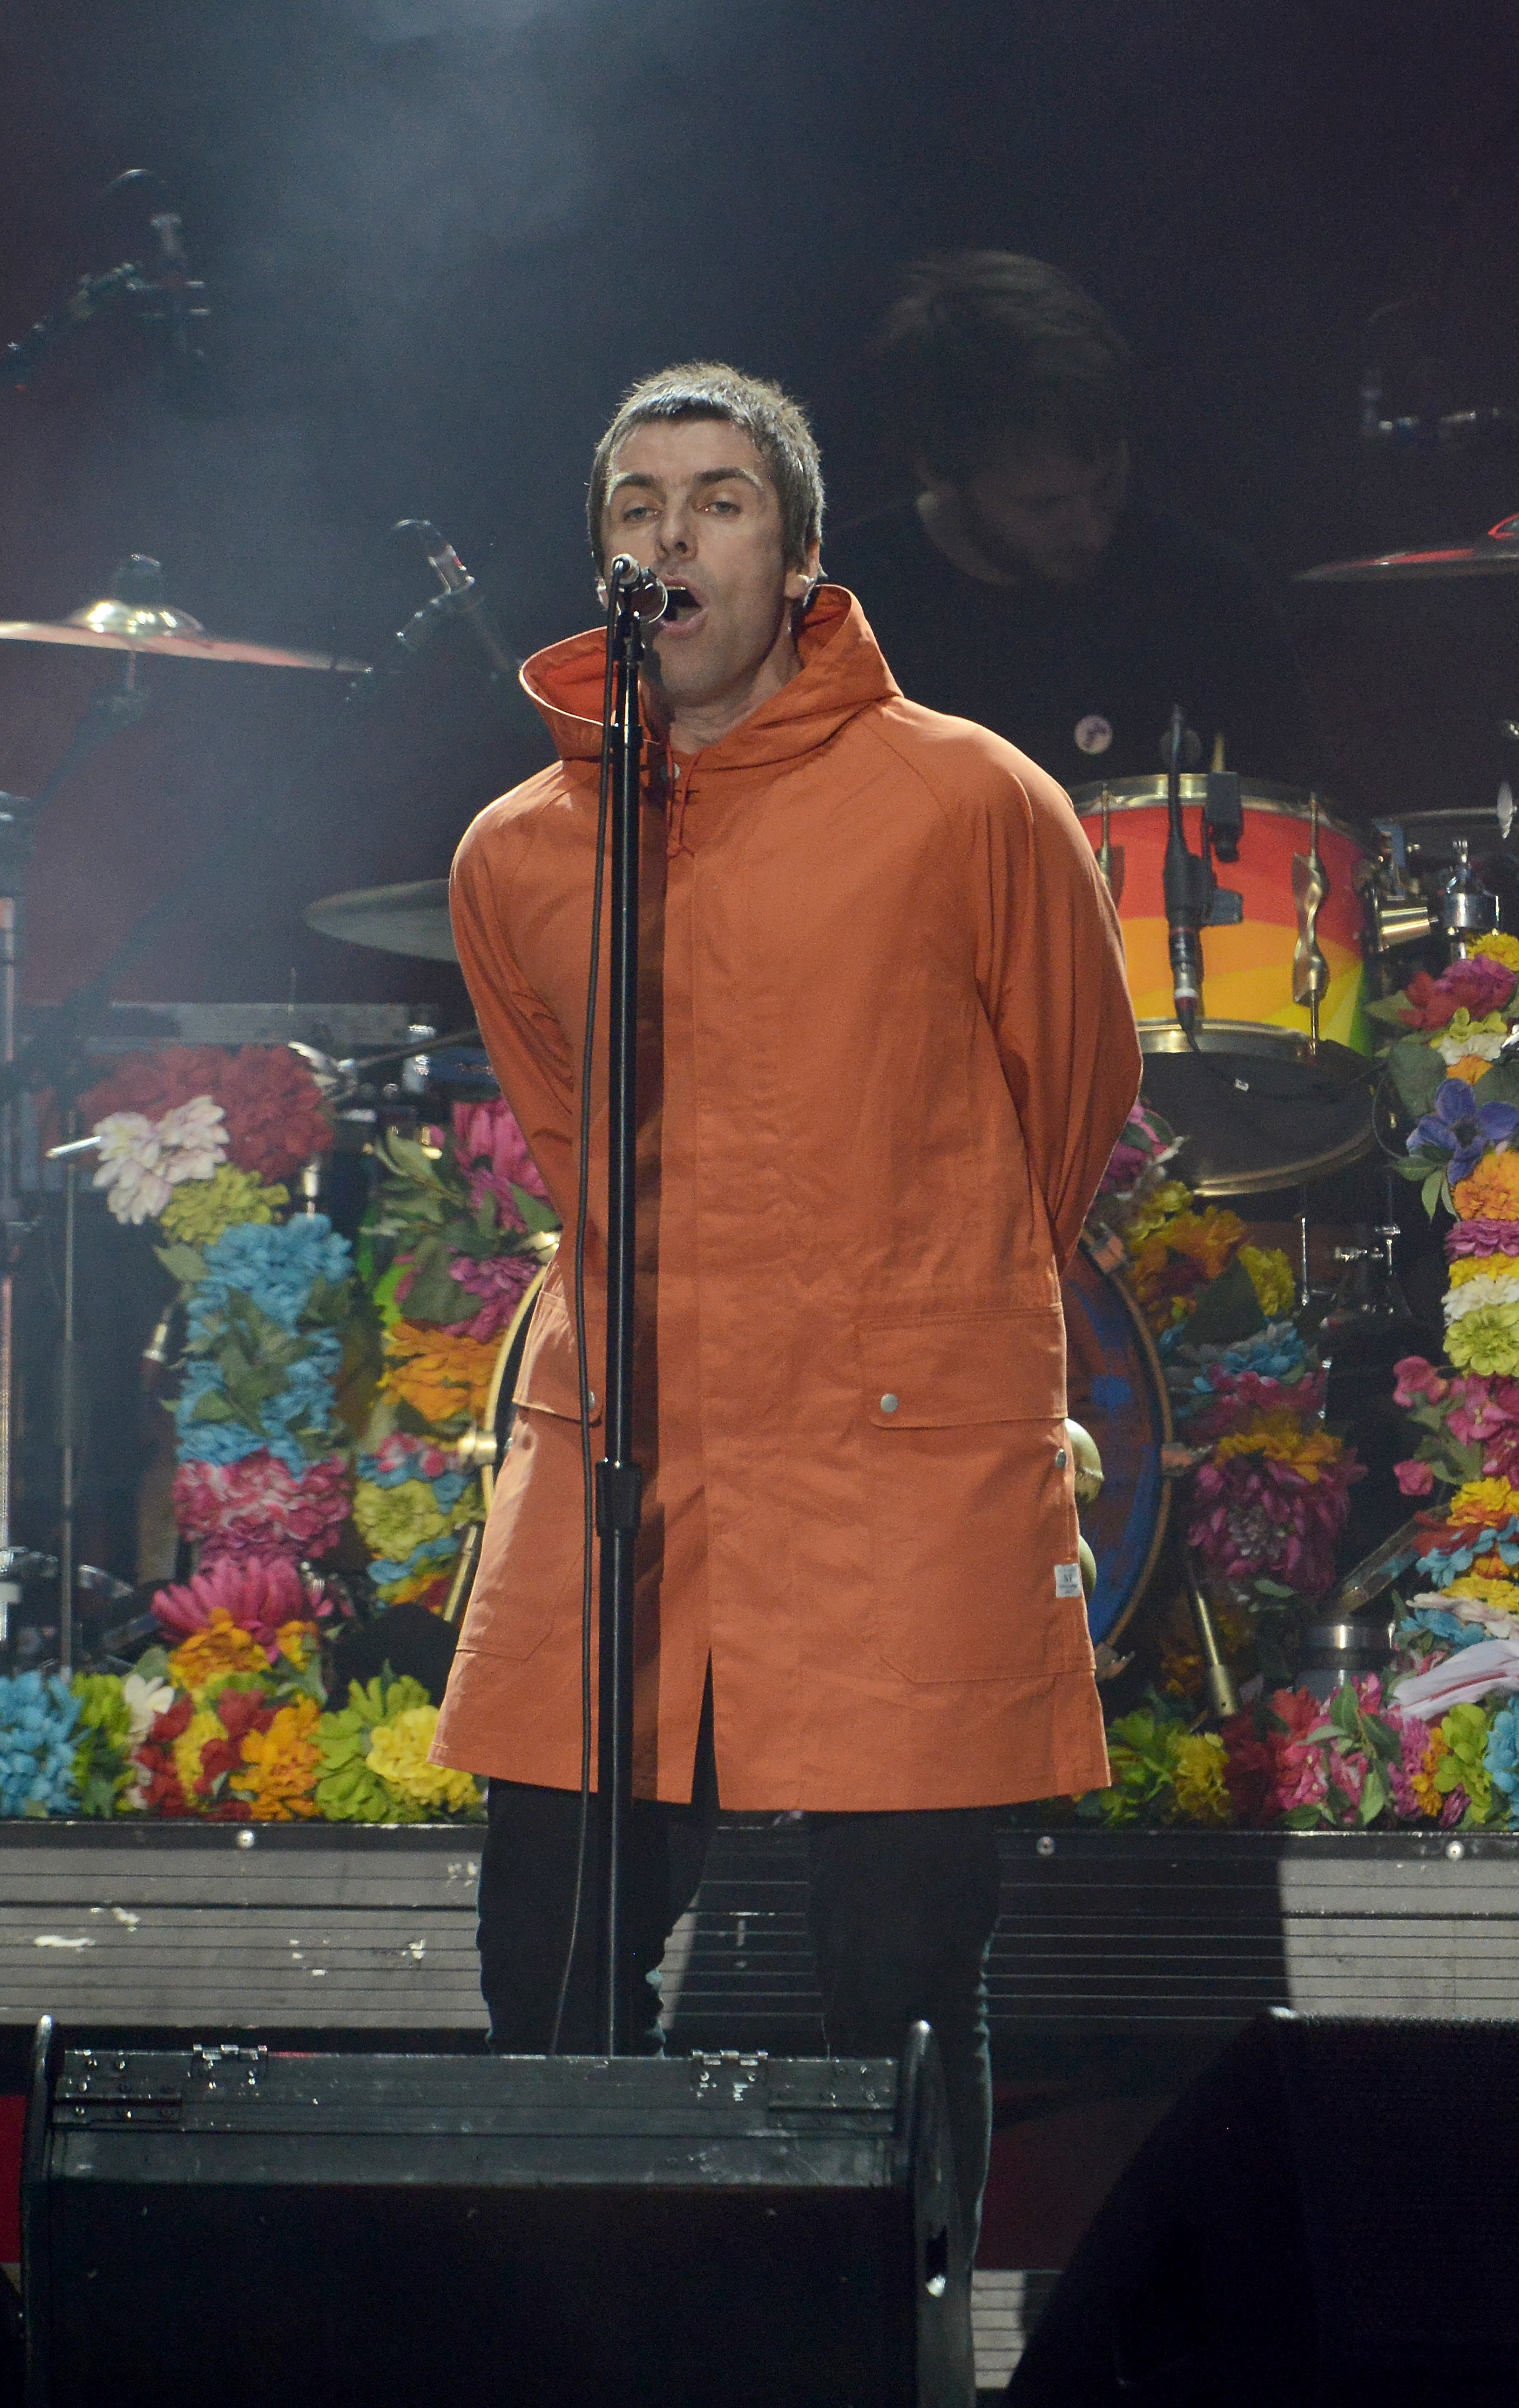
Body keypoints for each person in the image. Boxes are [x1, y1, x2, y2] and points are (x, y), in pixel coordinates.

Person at [431, 365, 1139, 2218]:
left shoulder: (965, 798)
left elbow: (1067, 1089)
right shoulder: (519, 852)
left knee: (894, 1984)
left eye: (719, 497)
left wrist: (917, 1290)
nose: (669, 532)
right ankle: (605, 2372)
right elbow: (567, 1131)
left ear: (804, 556)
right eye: (636, 499)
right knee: (545, 1967)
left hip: (894, 1447)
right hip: (624, 1449)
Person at [823, 251, 1322, 787]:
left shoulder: (1204, 590)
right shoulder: (836, 616)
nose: (1091, 530)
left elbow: (1303, 820)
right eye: (1044, 506)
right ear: (938, 475)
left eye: (1106, 484)